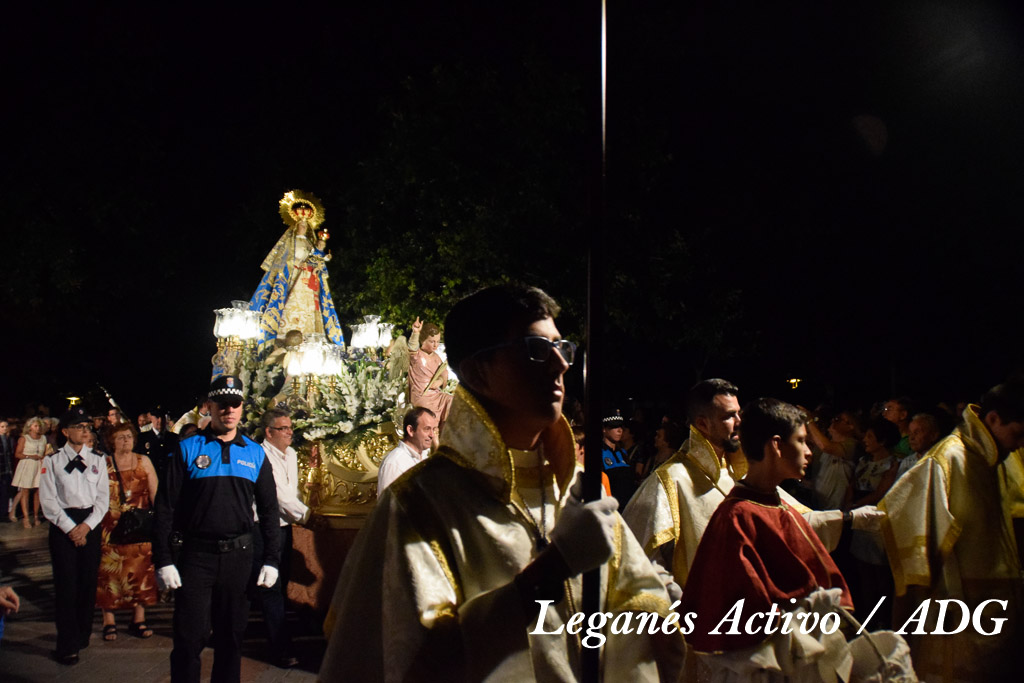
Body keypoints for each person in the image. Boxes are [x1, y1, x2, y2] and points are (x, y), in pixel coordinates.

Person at [320, 285, 684, 681]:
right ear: (477, 370)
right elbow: (409, 659)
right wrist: (553, 569)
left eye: (562, 347)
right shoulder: (417, 505)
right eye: (537, 348)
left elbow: (637, 602)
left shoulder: (576, 486)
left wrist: (657, 608)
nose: (561, 364)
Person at [623, 379, 882, 592]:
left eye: (739, 413)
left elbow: (792, 523)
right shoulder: (671, 480)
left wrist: (849, 518)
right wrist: (677, 600)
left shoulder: (739, 470)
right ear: (702, 424)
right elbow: (638, 558)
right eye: (729, 416)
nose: (739, 422)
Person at [682, 398, 858, 680]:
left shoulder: (779, 506)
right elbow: (747, 615)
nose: (809, 452)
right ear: (776, 445)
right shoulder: (737, 516)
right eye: (801, 441)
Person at [880, 381, 1024, 682]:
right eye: (1018, 434)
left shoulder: (995, 456)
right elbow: (911, 566)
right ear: (993, 419)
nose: (1019, 445)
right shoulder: (945, 462)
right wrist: (899, 641)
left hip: (998, 620)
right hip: (958, 624)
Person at [153, 375, 281, 683]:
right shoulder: (187, 448)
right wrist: (164, 559)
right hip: (196, 557)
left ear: (241, 408)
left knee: (231, 639)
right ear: (210, 406)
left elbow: (269, 511)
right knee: (189, 639)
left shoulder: (254, 453)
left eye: (235, 404)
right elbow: (165, 507)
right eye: (222, 404)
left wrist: (272, 560)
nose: (229, 410)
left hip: (239, 557)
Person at [38, 407, 110, 665]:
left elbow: (103, 500)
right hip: (63, 525)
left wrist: (86, 527)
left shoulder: (98, 459)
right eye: (79, 427)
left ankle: (82, 633)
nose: (85, 431)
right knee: (66, 585)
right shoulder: (52, 461)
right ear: (66, 432)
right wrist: (71, 528)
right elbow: (48, 501)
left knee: (87, 583)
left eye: (87, 427)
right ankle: (67, 644)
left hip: (90, 523)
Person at [248, 190, 345, 355]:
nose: (304, 227)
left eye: (306, 226)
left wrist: (321, 259)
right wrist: (296, 266)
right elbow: (283, 261)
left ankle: (311, 336)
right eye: (301, 225)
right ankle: (284, 336)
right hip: (292, 279)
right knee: (289, 305)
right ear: (295, 226)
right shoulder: (290, 242)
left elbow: (316, 258)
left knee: (311, 309)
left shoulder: (310, 244)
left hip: (308, 282)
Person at [253, 408, 309, 669]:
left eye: (290, 427)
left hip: (284, 528)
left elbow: (291, 492)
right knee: (270, 588)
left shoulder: (292, 455)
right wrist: (307, 516)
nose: (289, 432)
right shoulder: (261, 455)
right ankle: (280, 646)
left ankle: (279, 638)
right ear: (269, 432)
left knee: (281, 583)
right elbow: (279, 495)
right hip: (264, 529)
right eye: (283, 428)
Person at [96, 422, 159, 642]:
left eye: (129, 436)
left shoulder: (144, 461)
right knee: (108, 575)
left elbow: (155, 493)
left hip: (139, 527)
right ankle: (109, 621)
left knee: (140, 572)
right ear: (111, 441)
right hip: (110, 528)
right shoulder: (103, 463)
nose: (126, 440)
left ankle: (138, 619)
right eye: (121, 437)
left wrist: (159, 521)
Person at [376, 406, 437, 493]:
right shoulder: (394, 463)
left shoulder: (426, 457)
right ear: (410, 430)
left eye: (433, 429)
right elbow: (389, 501)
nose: (432, 435)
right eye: (427, 429)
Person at [407, 317, 452, 428]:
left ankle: (444, 429)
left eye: (438, 341)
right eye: (432, 341)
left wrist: (439, 381)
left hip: (435, 393)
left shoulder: (436, 357)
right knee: (429, 413)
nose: (435, 345)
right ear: (423, 340)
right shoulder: (417, 356)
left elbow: (443, 373)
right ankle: (432, 431)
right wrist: (415, 332)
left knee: (450, 400)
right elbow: (412, 348)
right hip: (422, 395)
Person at [11, 416, 49, 527]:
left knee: (38, 491)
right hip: (27, 465)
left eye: (39, 426)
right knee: (25, 491)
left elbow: (44, 452)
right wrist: (30, 456)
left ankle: (36, 515)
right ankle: (26, 518)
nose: (38, 428)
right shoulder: (24, 438)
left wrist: (44, 458)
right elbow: (17, 454)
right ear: (30, 427)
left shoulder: (43, 438)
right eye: (35, 426)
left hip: (39, 465)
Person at [600, 410, 635, 508]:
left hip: (627, 505)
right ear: (604, 429)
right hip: (610, 505)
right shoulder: (600, 453)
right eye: (614, 426)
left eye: (621, 427)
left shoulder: (623, 453)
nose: (619, 430)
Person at [894, 412, 942, 480]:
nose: (911, 438)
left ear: (933, 436)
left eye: (917, 432)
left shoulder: (941, 461)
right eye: (910, 433)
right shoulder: (907, 462)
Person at [139, 406, 178, 482]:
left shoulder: (174, 438)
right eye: (157, 417)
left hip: (169, 480)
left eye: (162, 417)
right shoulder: (142, 439)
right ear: (151, 418)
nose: (160, 420)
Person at [0, 420, 15, 523]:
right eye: (2, 426)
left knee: (5, 492)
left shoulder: (9, 439)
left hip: (7, 469)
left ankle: (3, 513)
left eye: (6, 426)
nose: (4, 428)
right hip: (2, 469)